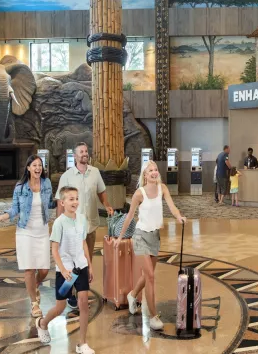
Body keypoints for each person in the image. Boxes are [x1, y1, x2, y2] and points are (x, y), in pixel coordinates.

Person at [115, 162, 187, 331]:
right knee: (151, 277)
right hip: (140, 236)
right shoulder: (139, 194)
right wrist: (120, 238)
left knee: (148, 275)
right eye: (150, 171)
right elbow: (130, 217)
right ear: (145, 175)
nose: (154, 172)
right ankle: (153, 317)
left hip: (155, 236)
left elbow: (172, 207)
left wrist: (179, 217)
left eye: (155, 170)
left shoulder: (163, 188)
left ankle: (132, 294)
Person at [0, 155, 53, 318]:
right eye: (34, 165)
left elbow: (51, 202)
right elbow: (14, 209)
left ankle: (34, 286)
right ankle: (34, 304)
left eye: (40, 165)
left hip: (42, 231)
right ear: (28, 168)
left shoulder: (47, 183)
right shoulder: (20, 187)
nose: (38, 168)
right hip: (25, 232)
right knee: (29, 268)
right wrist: (2, 217)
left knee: (44, 270)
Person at [36, 186, 96, 354]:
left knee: (83, 302)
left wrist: (89, 265)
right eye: (71, 199)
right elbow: (54, 249)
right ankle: (43, 323)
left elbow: (83, 243)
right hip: (66, 270)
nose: (75, 202)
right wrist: (62, 270)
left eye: (76, 198)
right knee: (60, 307)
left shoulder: (82, 219)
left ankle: (82, 343)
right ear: (62, 202)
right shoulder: (59, 223)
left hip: (81, 266)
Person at [55, 142, 114, 257]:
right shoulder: (66, 176)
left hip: (90, 226)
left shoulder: (95, 172)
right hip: (73, 226)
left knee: (88, 258)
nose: (85, 154)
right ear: (75, 156)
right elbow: (60, 202)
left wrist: (107, 205)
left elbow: (101, 191)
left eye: (86, 151)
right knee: (75, 259)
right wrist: (58, 226)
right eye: (81, 152)